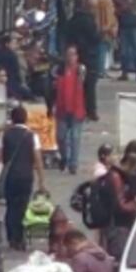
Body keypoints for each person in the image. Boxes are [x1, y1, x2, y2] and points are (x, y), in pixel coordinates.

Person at [0, 105, 46, 251]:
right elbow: (37, 159)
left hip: (10, 176)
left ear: (12, 119)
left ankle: (11, 237)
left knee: (11, 206)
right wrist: (41, 180)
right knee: (23, 206)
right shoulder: (32, 136)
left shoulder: (6, 135)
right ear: (26, 119)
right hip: (26, 177)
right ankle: (20, 238)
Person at [53, 45, 88, 175]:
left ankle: (73, 164)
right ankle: (64, 157)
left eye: (73, 54)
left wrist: (90, 109)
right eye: (68, 54)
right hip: (62, 108)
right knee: (60, 137)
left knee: (75, 137)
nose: (70, 57)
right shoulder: (59, 70)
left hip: (77, 108)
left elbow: (87, 87)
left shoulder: (80, 70)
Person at [102, 153, 136, 258]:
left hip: (114, 224)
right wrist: (135, 203)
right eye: (134, 170)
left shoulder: (116, 175)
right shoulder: (117, 178)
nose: (134, 173)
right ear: (129, 165)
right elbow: (120, 205)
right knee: (120, 255)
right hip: (117, 226)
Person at [69, 0, 102, 120]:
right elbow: (95, 38)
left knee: (77, 83)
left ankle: (77, 108)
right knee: (90, 84)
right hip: (89, 55)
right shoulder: (89, 21)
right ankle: (91, 111)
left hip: (76, 55)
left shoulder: (73, 20)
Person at [115, 0, 136, 82]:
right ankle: (125, 73)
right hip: (125, 25)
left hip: (134, 25)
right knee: (125, 52)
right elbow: (117, 10)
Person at [94, 0, 118, 77]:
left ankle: (100, 69)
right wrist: (110, 28)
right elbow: (108, 15)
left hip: (99, 27)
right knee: (103, 50)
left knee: (101, 49)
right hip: (105, 28)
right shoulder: (107, 0)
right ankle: (101, 70)